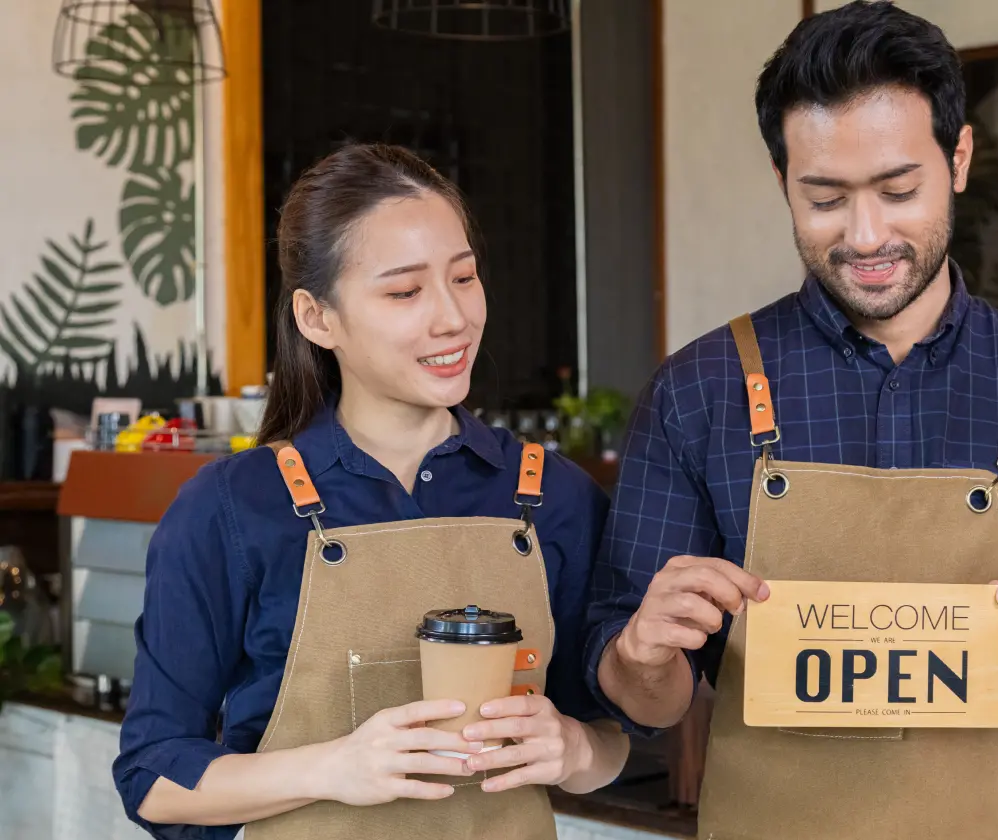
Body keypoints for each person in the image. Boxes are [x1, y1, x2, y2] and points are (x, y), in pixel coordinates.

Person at [584, 3, 998, 838]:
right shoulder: (699, 392)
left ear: (960, 159)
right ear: (782, 183)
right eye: (825, 197)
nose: (866, 235)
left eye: (899, 190)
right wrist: (639, 653)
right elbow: (645, 703)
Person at [113, 143, 628, 840]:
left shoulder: (552, 497)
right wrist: (335, 769)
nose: (452, 318)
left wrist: (573, 748)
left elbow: (611, 741)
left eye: (465, 277)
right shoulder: (233, 507)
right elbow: (154, 778)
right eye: (404, 291)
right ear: (316, 318)